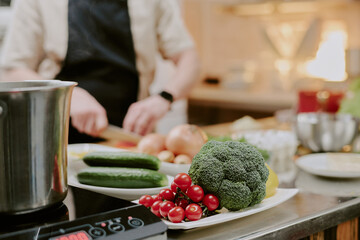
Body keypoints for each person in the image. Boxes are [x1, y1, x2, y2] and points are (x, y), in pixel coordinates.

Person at [0, 0, 199, 143]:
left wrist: (163, 98)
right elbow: (11, 70)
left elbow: (189, 59)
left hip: (128, 138)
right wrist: (66, 94)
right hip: (56, 141)